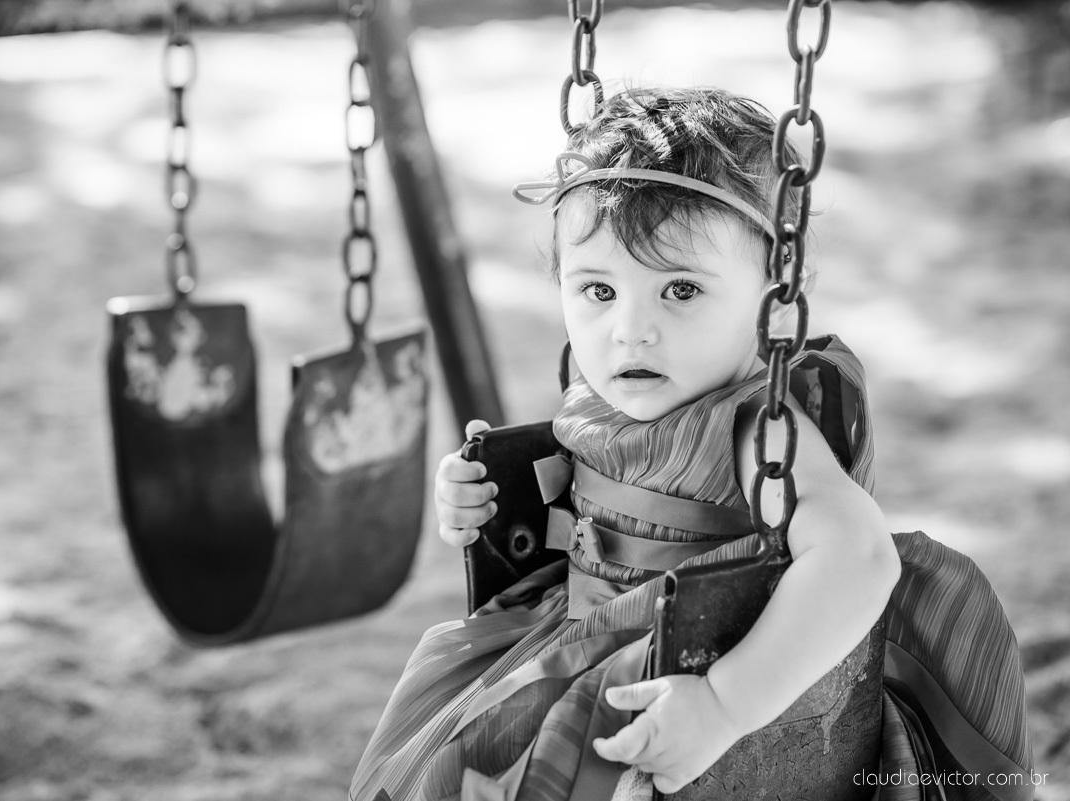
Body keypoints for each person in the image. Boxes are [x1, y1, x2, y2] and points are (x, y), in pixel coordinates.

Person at [350, 87, 1032, 801]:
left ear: (778, 291)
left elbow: (859, 557)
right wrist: (469, 500)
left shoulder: (757, 426)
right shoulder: (617, 391)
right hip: (579, 637)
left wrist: (724, 703)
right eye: (598, 291)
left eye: (680, 290)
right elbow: (577, 506)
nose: (631, 330)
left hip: (698, 674)